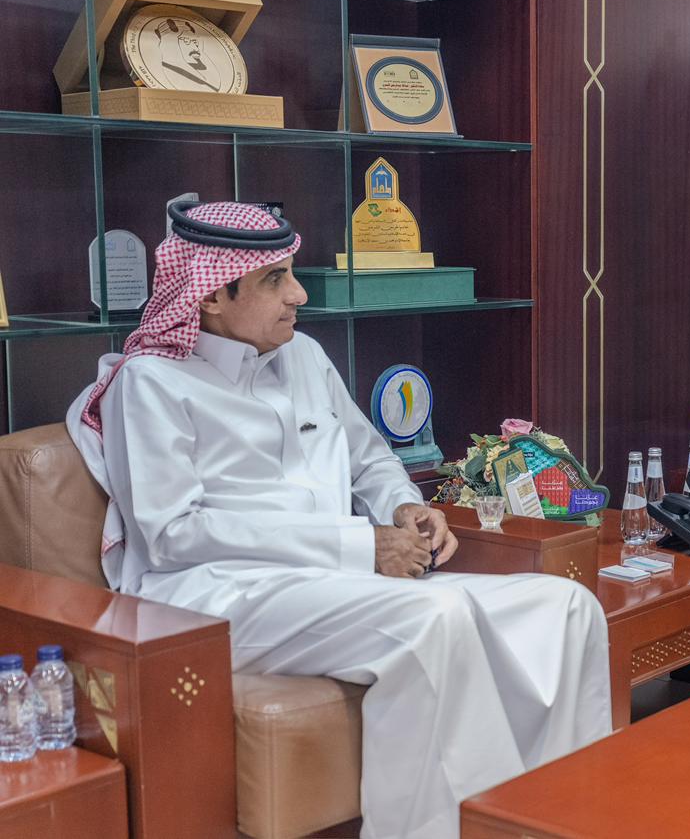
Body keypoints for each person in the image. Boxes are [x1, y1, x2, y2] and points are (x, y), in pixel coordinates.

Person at [66, 201, 611, 839]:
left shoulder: (305, 356)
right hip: (219, 593)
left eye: (292, 274)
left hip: (338, 580)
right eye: (275, 279)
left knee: (567, 608)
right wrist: (360, 545)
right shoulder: (151, 383)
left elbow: (368, 458)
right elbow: (172, 534)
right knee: (433, 618)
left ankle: (557, 819)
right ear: (211, 295)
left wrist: (404, 506)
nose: (298, 294)